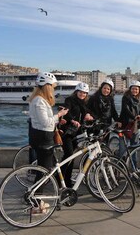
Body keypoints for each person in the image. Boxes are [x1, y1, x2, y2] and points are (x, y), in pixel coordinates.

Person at [28, 72, 68, 213]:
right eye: (52, 86)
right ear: (47, 86)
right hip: (43, 139)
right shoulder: (39, 101)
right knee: (45, 173)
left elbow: (45, 121)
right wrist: (59, 115)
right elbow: (46, 122)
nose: (53, 89)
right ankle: (35, 202)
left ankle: (37, 200)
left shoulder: (39, 99)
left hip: (42, 137)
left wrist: (57, 120)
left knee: (44, 171)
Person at [58, 82, 94, 187]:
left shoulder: (84, 103)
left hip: (77, 133)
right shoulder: (69, 100)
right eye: (80, 92)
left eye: (84, 93)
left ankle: (66, 180)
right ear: (76, 92)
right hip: (67, 132)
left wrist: (89, 116)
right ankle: (59, 178)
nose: (82, 94)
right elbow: (66, 111)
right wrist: (72, 120)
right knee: (69, 154)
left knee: (72, 157)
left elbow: (87, 111)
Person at [118, 80, 140, 156]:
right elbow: (125, 109)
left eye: (136, 89)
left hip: (135, 126)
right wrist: (135, 117)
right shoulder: (125, 98)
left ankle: (134, 166)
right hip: (126, 124)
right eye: (133, 88)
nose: (134, 90)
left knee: (134, 147)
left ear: (139, 90)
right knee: (123, 147)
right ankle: (120, 165)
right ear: (130, 89)